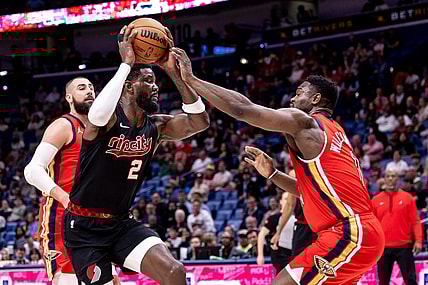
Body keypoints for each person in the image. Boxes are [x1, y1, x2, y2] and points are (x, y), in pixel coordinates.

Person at [172, 47, 384, 285]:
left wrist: (191, 80)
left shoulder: (305, 123)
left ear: (315, 100)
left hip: (348, 232)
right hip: (362, 232)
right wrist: (272, 174)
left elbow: (244, 109)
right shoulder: (336, 132)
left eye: (299, 92)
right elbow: (310, 191)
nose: (292, 99)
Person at [63, 25, 209, 285]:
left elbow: (200, 122)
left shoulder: (157, 126)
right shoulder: (106, 120)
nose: (156, 88)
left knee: (174, 272)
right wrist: (125, 64)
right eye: (149, 81)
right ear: (129, 87)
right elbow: (96, 115)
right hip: (84, 228)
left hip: (121, 224)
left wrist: (175, 74)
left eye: (156, 82)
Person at [24, 75, 121, 284]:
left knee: (110, 280)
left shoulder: (104, 130)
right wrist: (66, 198)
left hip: (96, 218)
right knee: (66, 279)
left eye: (91, 87)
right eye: (81, 88)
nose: (89, 91)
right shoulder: (64, 125)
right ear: (69, 97)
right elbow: (32, 170)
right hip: (62, 216)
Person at [372, 169, 422, 285]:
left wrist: (418, 241)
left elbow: (415, 221)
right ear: (384, 179)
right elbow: (372, 226)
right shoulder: (375, 201)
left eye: (393, 176)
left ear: (397, 179)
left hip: (404, 246)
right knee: (383, 282)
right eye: (388, 176)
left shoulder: (407, 198)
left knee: (410, 281)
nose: (390, 179)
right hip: (383, 248)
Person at [269, 170, 316, 259]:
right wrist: (278, 232)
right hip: (305, 227)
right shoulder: (294, 173)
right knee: (300, 264)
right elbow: (290, 205)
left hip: (320, 226)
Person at [257, 190, 295, 275]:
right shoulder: (275, 218)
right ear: (281, 202)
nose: (289, 201)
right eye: (286, 199)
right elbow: (261, 234)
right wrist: (260, 255)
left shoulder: (299, 218)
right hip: (280, 253)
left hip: (294, 253)